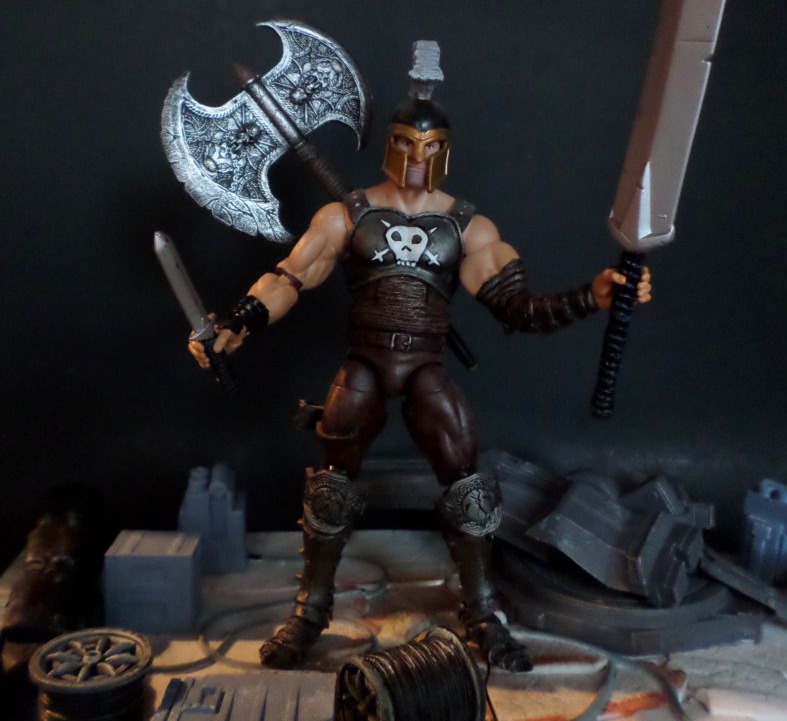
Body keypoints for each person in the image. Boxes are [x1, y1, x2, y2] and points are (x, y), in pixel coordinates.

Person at [189, 48, 652, 672]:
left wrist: (590, 296)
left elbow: (518, 309)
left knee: (468, 483)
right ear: (390, 143)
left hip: (424, 364)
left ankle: (482, 615)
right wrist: (238, 321)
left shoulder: (467, 226)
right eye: (407, 144)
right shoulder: (345, 215)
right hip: (365, 360)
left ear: (445, 151)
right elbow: (290, 277)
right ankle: (310, 612)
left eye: (429, 148)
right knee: (331, 484)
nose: (416, 159)